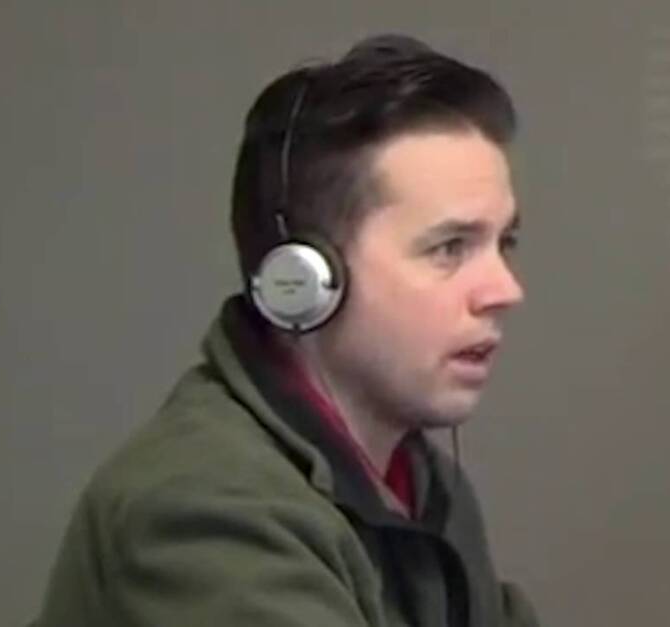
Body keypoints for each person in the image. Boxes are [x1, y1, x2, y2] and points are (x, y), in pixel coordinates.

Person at [34, 33, 540, 627]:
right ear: (302, 278)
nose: (505, 290)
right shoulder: (203, 508)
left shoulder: (424, 486)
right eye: (449, 247)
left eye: (504, 242)